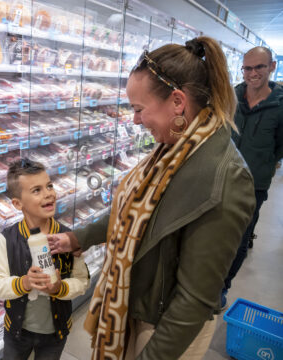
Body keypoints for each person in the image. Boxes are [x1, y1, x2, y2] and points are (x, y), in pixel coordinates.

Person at [48, 37, 255, 360]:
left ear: (177, 102)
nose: (134, 120)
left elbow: (195, 299)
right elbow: (137, 216)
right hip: (139, 305)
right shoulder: (175, 149)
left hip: (166, 330)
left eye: (139, 109)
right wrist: (79, 237)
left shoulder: (224, 178)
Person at [0, 159, 90, 360]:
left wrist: (60, 288)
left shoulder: (68, 237)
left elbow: (82, 280)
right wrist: (24, 283)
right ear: (17, 203)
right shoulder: (8, 239)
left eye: (49, 185)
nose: (48, 194)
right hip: (17, 331)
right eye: (36, 190)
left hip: (55, 332)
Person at [222, 46, 283, 305]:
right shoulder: (231, 97)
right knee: (211, 230)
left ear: (271, 67)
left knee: (240, 236)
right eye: (247, 68)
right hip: (222, 177)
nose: (252, 73)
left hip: (254, 184)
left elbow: (279, 146)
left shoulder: (280, 105)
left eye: (259, 67)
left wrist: (266, 163)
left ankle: (222, 288)